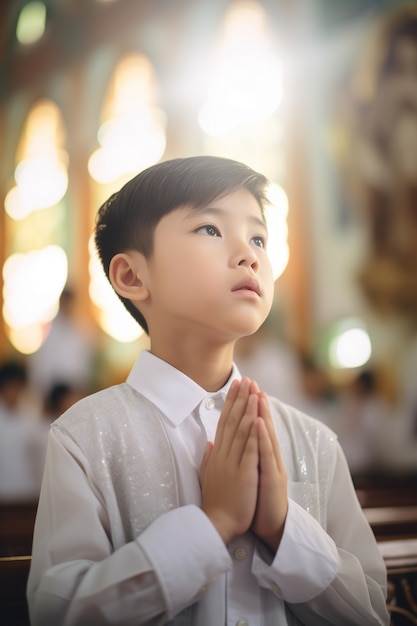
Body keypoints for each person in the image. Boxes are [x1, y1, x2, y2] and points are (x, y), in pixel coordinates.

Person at [27, 156, 389, 625]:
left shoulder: (313, 442)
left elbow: (374, 615)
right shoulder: (85, 438)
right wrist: (211, 525)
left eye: (258, 237)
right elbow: (60, 614)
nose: (249, 254)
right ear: (132, 276)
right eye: (210, 230)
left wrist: (283, 528)